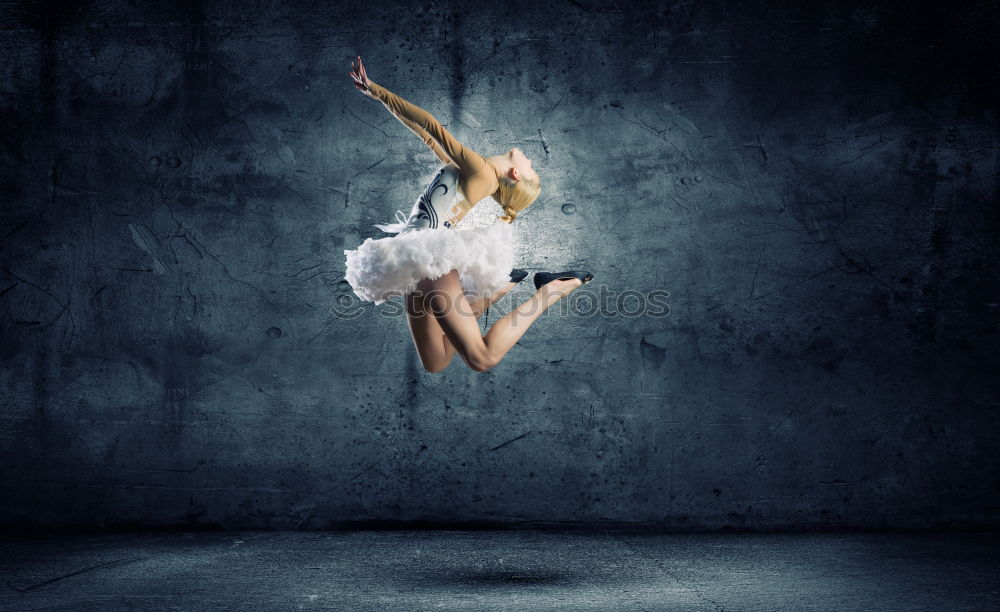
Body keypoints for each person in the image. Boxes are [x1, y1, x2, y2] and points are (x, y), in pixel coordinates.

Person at [344, 56, 593, 373]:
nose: (532, 160)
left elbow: (432, 124)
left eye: (532, 169)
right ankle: (501, 289)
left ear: (515, 174)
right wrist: (378, 98)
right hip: (411, 259)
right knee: (436, 362)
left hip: (431, 262)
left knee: (482, 359)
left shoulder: (482, 171)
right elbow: (425, 134)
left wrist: (378, 88)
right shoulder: (468, 172)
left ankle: (553, 289)